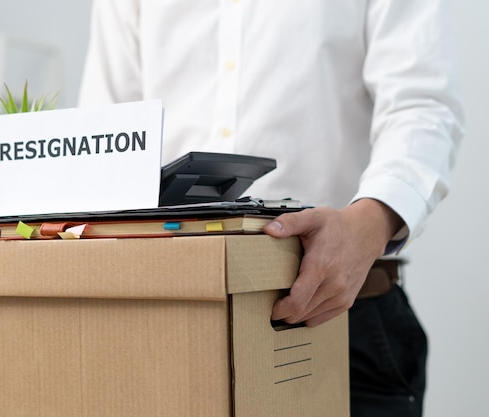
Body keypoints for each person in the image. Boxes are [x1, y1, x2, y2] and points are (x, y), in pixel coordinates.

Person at [77, 1, 464, 415]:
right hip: (164, 321)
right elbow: (103, 133)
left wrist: (368, 224)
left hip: (337, 313)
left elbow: (421, 107)